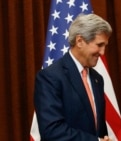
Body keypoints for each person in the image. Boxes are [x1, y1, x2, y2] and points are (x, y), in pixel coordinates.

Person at [34, 13, 113, 141]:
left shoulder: (97, 79)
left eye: (105, 46)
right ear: (80, 41)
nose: (103, 52)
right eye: (99, 45)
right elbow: (52, 130)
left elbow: (99, 127)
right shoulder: (50, 77)